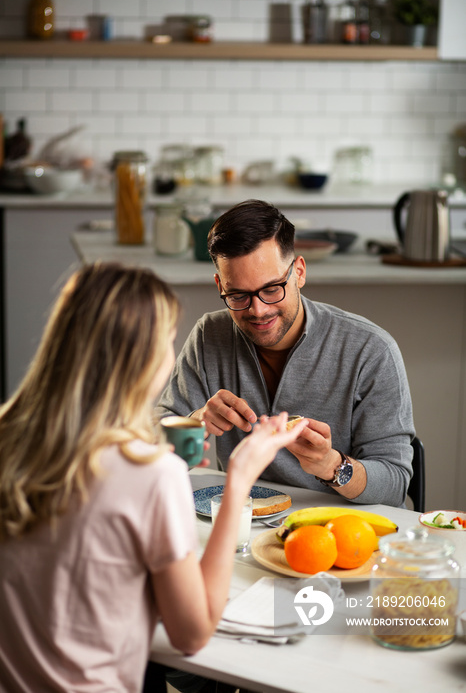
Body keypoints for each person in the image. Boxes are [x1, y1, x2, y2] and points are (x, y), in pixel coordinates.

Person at [0, 262, 307, 693]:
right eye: (167, 342)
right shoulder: (149, 474)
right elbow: (192, 634)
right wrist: (238, 478)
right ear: (140, 360)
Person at [156, 199, 416, 508]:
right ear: (219, 285)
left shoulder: (371, 350)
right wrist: (194, 423)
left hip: (337, 535)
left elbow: (395, 486)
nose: (258, 310)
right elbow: (151, 442)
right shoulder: (208, 336)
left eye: (271, 289)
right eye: (238, 295)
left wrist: (331, 466)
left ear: (299, 272)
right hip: (238, 526)